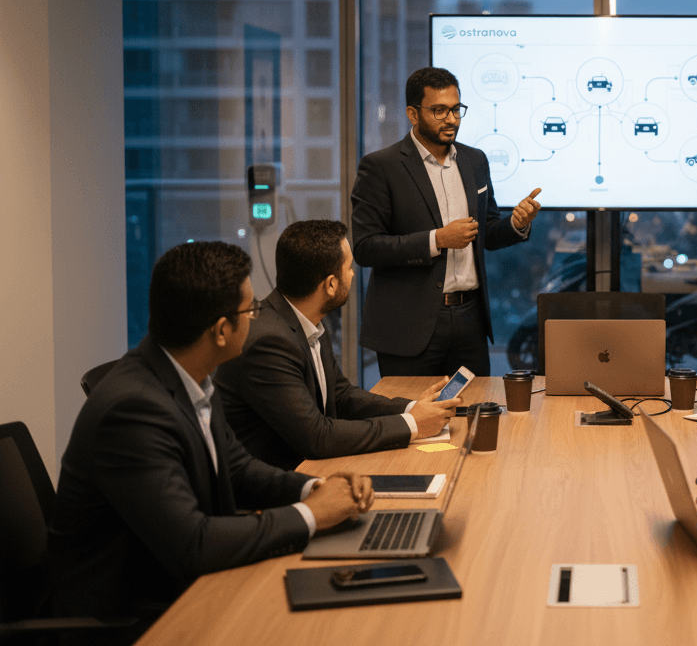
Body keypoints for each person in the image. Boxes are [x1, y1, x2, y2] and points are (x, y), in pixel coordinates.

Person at [48, 242, 373, 642]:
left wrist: (314, 488)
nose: (258, 317)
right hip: (134, 616)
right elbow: (193, 544)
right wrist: (311, 515)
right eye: (251, 310)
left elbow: (237, 468)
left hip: (182, 584)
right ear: (221, 331)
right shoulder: (132, 410)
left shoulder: (193, 375)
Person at [215, 220, 462, 471]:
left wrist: (412, 409)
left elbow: (342, 396)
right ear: (331, 285)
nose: (354, 274)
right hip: (276, 487)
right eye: (349, 268)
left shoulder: (308, 321)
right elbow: (317, 437)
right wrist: (411, 424)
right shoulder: (269, 342)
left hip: (310, 469)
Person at [351, 66, 543, 377]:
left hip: (469, 319)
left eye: (455, 109)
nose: (451, 119)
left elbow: (487, 231)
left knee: (474, 414)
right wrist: (437, 240)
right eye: (439, 110)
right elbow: (365, 248)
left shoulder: (474, 160)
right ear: (413, 114)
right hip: (410, 324)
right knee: (415, 416)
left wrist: (516, 224)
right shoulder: (381, 167)